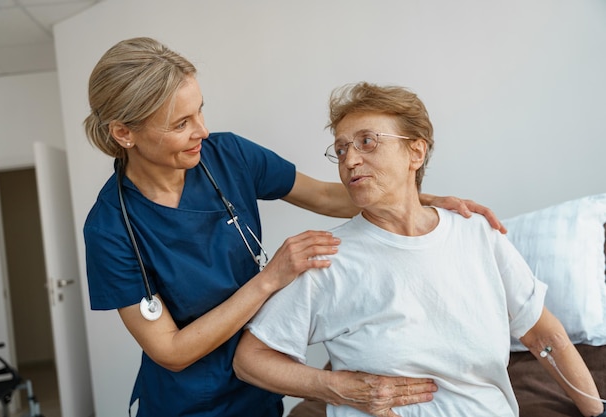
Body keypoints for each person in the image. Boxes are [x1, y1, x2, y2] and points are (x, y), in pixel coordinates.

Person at [82, 37, 506, 417]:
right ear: (124, 133)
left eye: (200, 112)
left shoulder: (227, 155)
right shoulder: (110, 227)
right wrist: (270, 280)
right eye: (180, 124)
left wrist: (416, 197)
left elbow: (324, 196)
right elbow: (170, 351)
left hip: (260, 389)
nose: (202, 131)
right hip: (184, 404)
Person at [233, 82, 605, 417]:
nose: (349, 159)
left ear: (416, 152)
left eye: (367, 141)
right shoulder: (328, 255)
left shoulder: (477, 235)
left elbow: (544, 336)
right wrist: (337, 387)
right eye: (341, 149)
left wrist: (595, 413)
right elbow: (251, 360)